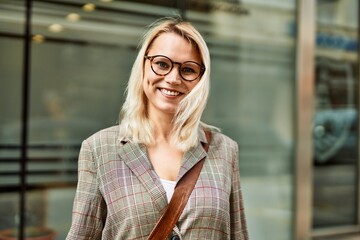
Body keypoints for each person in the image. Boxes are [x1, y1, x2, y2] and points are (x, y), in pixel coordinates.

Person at [66, 17, 248, 240]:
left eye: (188, 70)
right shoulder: (98, 149)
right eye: (162, 64)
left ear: (200, 78)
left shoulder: (225, 149)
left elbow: (238, 235)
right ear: (143, 65)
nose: (173, 78)